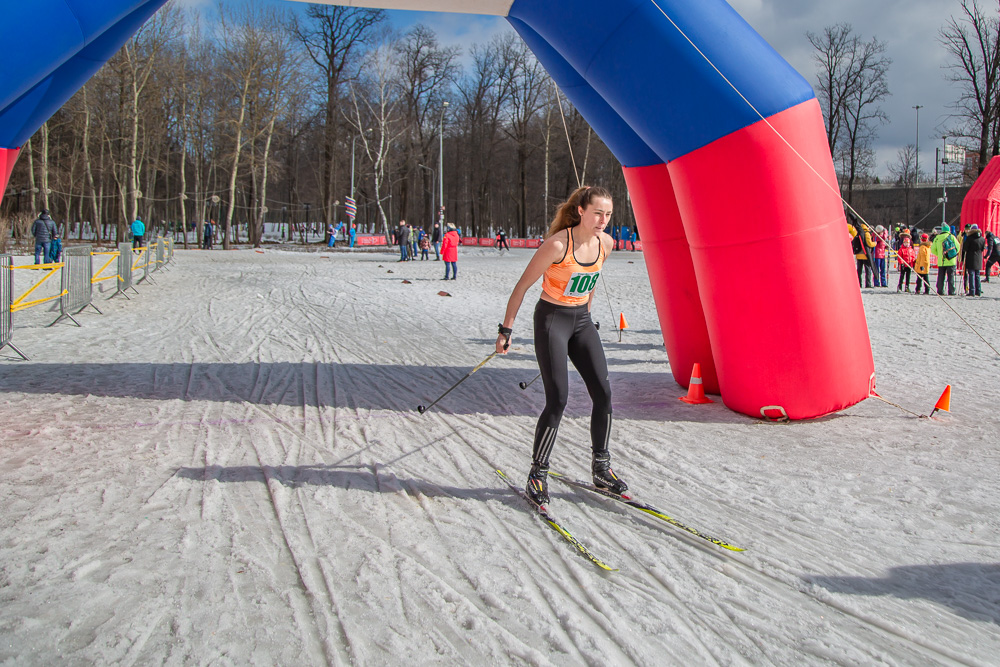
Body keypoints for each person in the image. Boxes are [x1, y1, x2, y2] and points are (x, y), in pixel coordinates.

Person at [495, 185, 624, 506]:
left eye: (607, 214)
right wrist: (506, 330)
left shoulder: (606, 243)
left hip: (581, 321)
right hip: (552, 320)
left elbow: (591, 280)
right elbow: (521, 287)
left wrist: (588, 316)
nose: (603, 220)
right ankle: (537, 474)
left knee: (604, 393)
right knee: (558, 399)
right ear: (581, 210)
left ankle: (602, 468)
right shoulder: (556, 245)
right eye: (597, 213)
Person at [931, 224, 959, 296]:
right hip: (951, 260)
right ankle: (951, 291)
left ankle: (940, 290)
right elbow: (958, 247)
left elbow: (933, 249)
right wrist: (952, 255)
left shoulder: (937, 238)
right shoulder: (952, 237)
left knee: (941, 276)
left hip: (941, 261)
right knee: (951, 276)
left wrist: (940, 255)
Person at [848, 217, 875, 287]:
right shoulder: (866, 233)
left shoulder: (858, 233)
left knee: (859, 270)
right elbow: (869, 243)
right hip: (865, 255)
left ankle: (859, 283)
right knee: (867, 270)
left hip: (858, 254)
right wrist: (874, 243)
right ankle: (868, 284)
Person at [961, 223, 985, 296]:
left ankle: (972, 291)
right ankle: (978, 290)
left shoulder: (969, 238)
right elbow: (983, 248)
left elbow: (965, 248)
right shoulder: (982, 238)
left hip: (971, 258)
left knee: (971, 274)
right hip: (978, 258)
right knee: (977, 275)